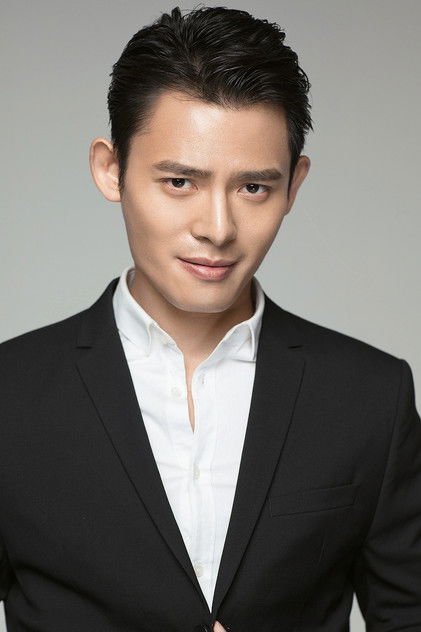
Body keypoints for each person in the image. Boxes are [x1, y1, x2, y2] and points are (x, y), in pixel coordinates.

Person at [1, 5, 420, 631]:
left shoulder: (371, 396)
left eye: (253, 188)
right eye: (179, 182)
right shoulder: (9, 393)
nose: (217, 229)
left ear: (294, 186)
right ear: (111, 170)